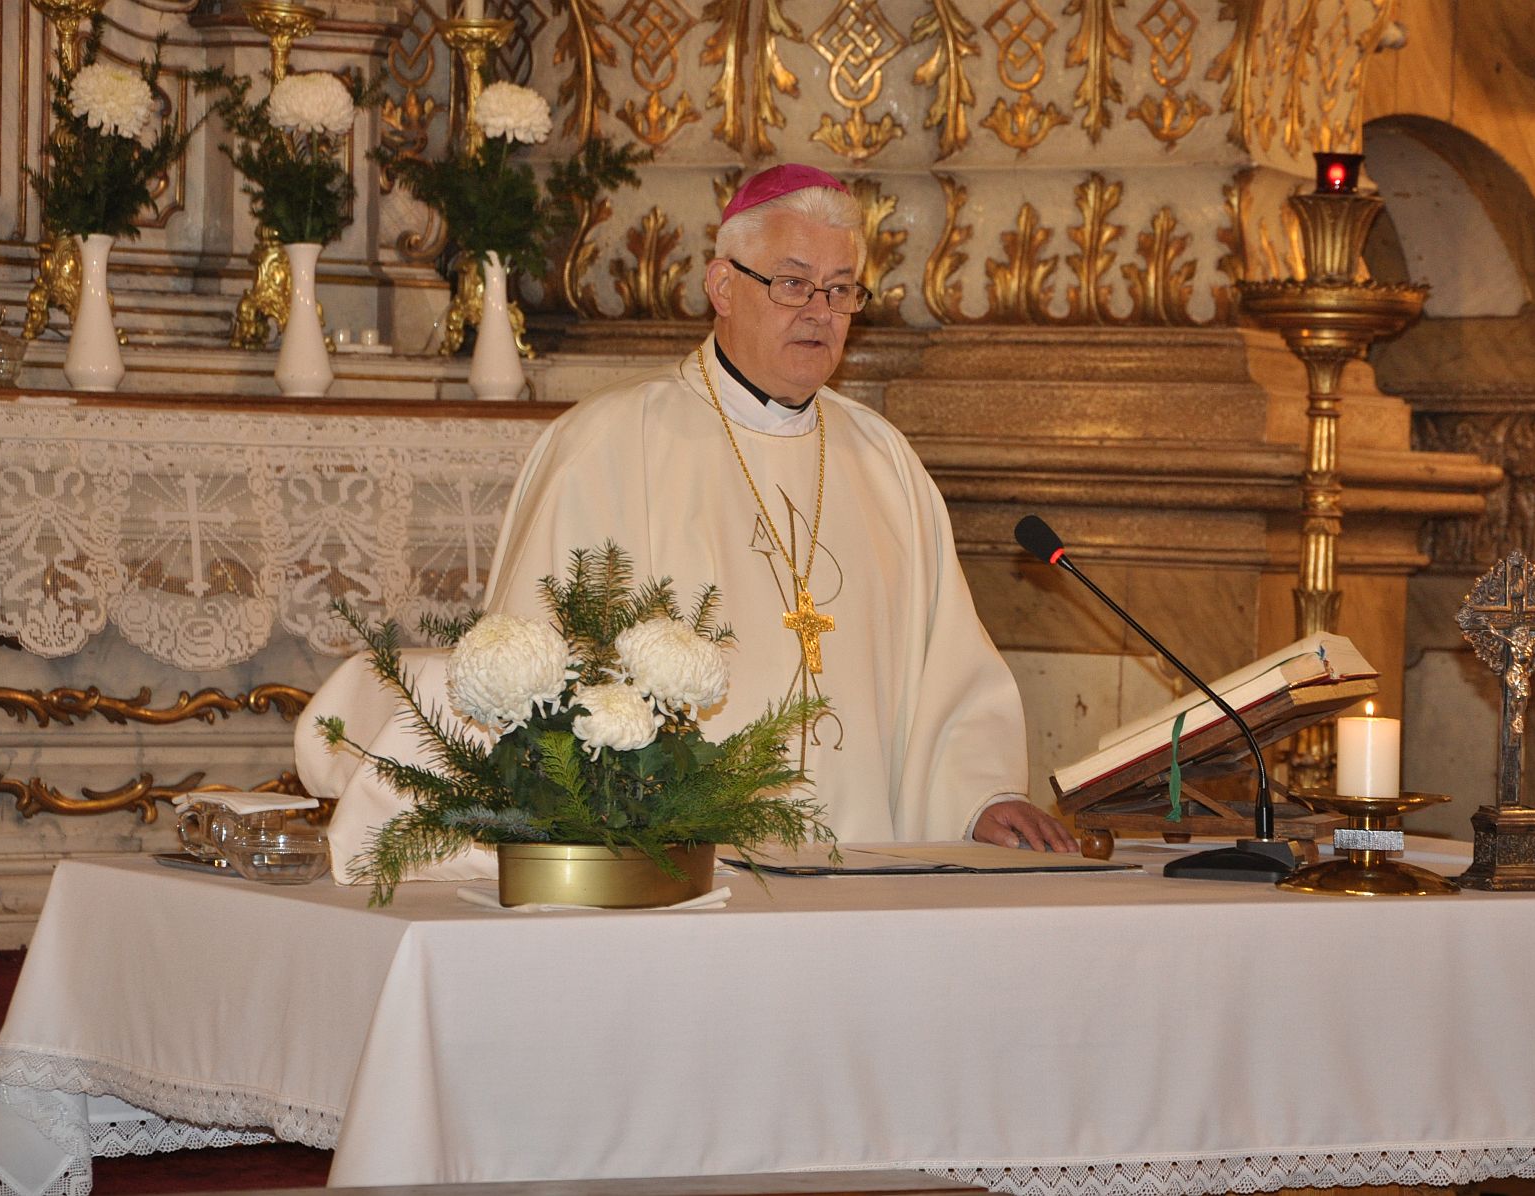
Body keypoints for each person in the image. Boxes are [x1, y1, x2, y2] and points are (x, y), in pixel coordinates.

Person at [299, 163, 1073, 881]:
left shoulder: (885, 463)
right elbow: (530, 683)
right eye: (794, 284)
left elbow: (951, 672)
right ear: (722, 286)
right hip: (678, 878)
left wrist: (980, 798)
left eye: (842, 291)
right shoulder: (609, 444)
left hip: (863, 878)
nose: (822, 312)